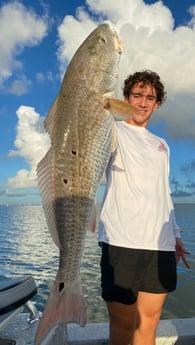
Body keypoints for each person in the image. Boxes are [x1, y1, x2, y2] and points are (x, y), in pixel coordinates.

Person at [98, 70, 190, 345]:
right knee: (123, 329)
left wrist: (175, 235)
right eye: (137, 95)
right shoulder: (112, 131)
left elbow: (164, 193)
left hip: (160, 246)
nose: (143, 102)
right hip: (121, 242)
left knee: (148, 326)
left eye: (150, 97)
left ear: (157, 103)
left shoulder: (162, 144)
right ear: (125, 98)